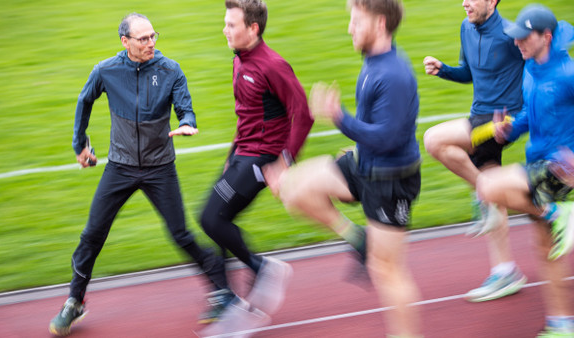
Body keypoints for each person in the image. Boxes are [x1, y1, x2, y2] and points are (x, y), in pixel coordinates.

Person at [48, 13, 227, 336]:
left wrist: (187, 121)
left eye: (153, 36)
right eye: (143, 39)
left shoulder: (170, 70)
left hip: (160, 167)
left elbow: (185, 107)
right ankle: (74, 301)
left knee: (181, 234)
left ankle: (221, 289)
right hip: (120, 166)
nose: (151, 43)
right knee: (92, 235)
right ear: (125, 42)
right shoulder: (106, 71)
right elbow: (84, 99)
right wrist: (80, 144)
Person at [272, 0, 423, 335]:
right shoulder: (374, 60)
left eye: (356, 21)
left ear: (380, 24)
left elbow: (389, 137)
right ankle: (358, 238)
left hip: (391, 180)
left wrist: (340, 117)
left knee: (388, 271)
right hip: (366, 163)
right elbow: (380, 126)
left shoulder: (394, 74)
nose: (349, 28)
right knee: (293, 187)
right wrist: (358, 143)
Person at [197, 0, 314, 336]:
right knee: (214, 218)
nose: (225, 30)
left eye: (231, 25)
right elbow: (247, 115)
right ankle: (231, 297)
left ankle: (264, 269)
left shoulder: (273, 65)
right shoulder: (239, 60)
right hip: (242, 156)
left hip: (262, 159)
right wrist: (231, 154)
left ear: (253, 28)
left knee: (210, 217)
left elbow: (303, 114)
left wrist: (284, 162)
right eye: (225, 23)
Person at [477, 5, 574, 336]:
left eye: (524, 37)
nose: (517, 42)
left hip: (560, 171)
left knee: (489, 186)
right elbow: (533, 116)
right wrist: (510, 130)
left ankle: (559, 210)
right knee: (545, 250)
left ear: (546, 37)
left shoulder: (569, 74)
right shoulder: (531, 70)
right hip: (537, 163)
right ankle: (562, 324)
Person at [422, 0, 527, 302]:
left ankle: (483, 194)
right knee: (493, 188)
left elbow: (534, 73)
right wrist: (444, 70)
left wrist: (520, 121)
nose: (464, 2)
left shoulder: (511, 34)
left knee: (434, 139)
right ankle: (506, 270)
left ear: (492, 1)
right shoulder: (466, 28)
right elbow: (469, 72)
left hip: (502, 121)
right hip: (478, 115)